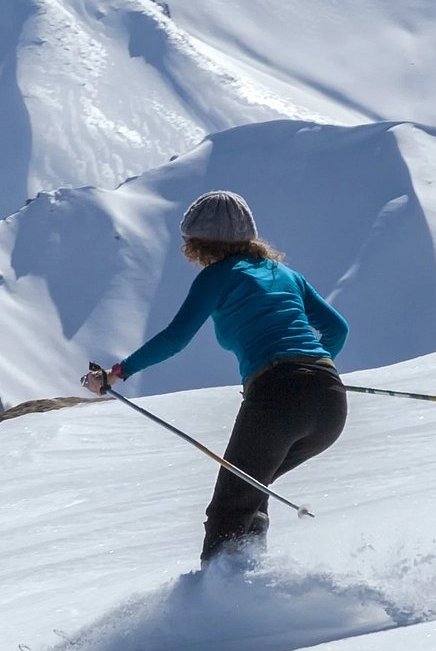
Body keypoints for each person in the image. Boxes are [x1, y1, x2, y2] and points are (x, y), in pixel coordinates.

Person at [84, 191, 348, 563]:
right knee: (252, 488)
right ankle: (253, 581)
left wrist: (117, 373)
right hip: (330, 401)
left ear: (201, 243)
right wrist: (312, 372)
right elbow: (337, 330)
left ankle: (216, 603)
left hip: (278, 397)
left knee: (230, 506)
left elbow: (176, 338)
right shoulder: (286, 274)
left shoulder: (218, 276)